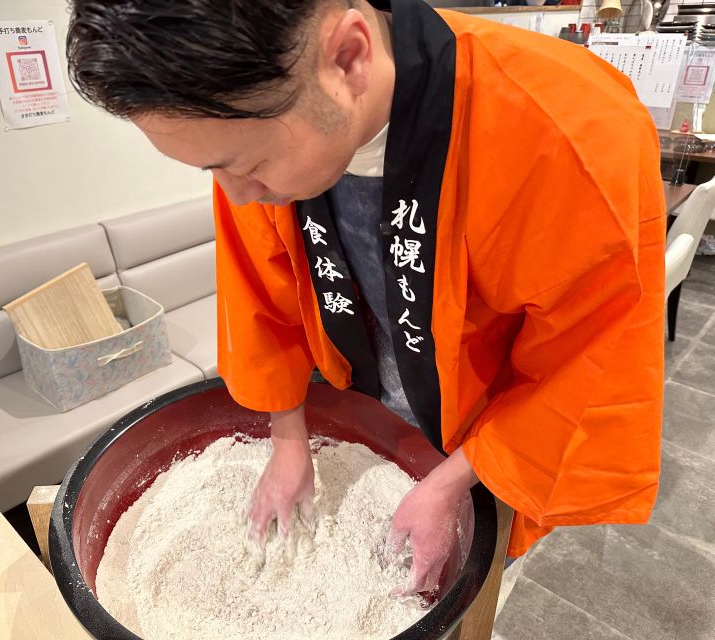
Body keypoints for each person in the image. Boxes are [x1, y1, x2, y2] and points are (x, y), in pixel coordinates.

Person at [67, 0, 664, 595]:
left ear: (348, 57)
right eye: (211, 171)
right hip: (363, 404)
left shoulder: (568, 127)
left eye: (248, 165)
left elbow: (587, 361)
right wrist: (288, 436)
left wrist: (450, 484)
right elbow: (262, 296)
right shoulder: (252, 134)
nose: (238, 195)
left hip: (488, 439)